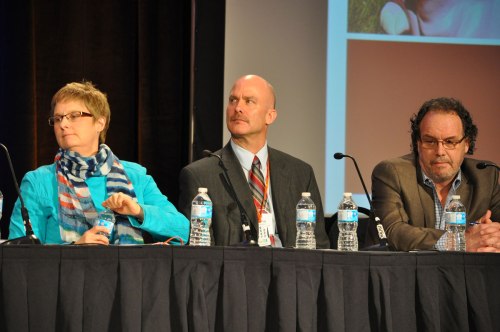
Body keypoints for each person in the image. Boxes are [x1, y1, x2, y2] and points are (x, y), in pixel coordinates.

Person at [9, 81, 189, 245]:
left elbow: (184, 231)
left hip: (128, 279)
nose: (63, 124)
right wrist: (75, 249)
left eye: (74, 116)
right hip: (66, 280)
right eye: (58, 118)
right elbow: (18, 252)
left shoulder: (135, 176)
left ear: (100, 122)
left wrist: (138, 211)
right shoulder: (38, 182)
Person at [178, 75, 329, 248]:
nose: (238, 108)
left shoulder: (300, 173)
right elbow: (202, 256)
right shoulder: (200, 175)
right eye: (233, 100)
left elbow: (319, 246)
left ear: (270, 116)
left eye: (249, 101)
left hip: (293, 271)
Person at [370, 97, 500, 251]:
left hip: (467, 274)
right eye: (430, 141)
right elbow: (392, 232)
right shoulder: (391, 173)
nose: (440, 151)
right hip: (404, 272)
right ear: (418, 144)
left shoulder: (485, 175)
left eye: (450, 142)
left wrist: (491, 236)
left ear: (466, 144)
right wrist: (459, 242)